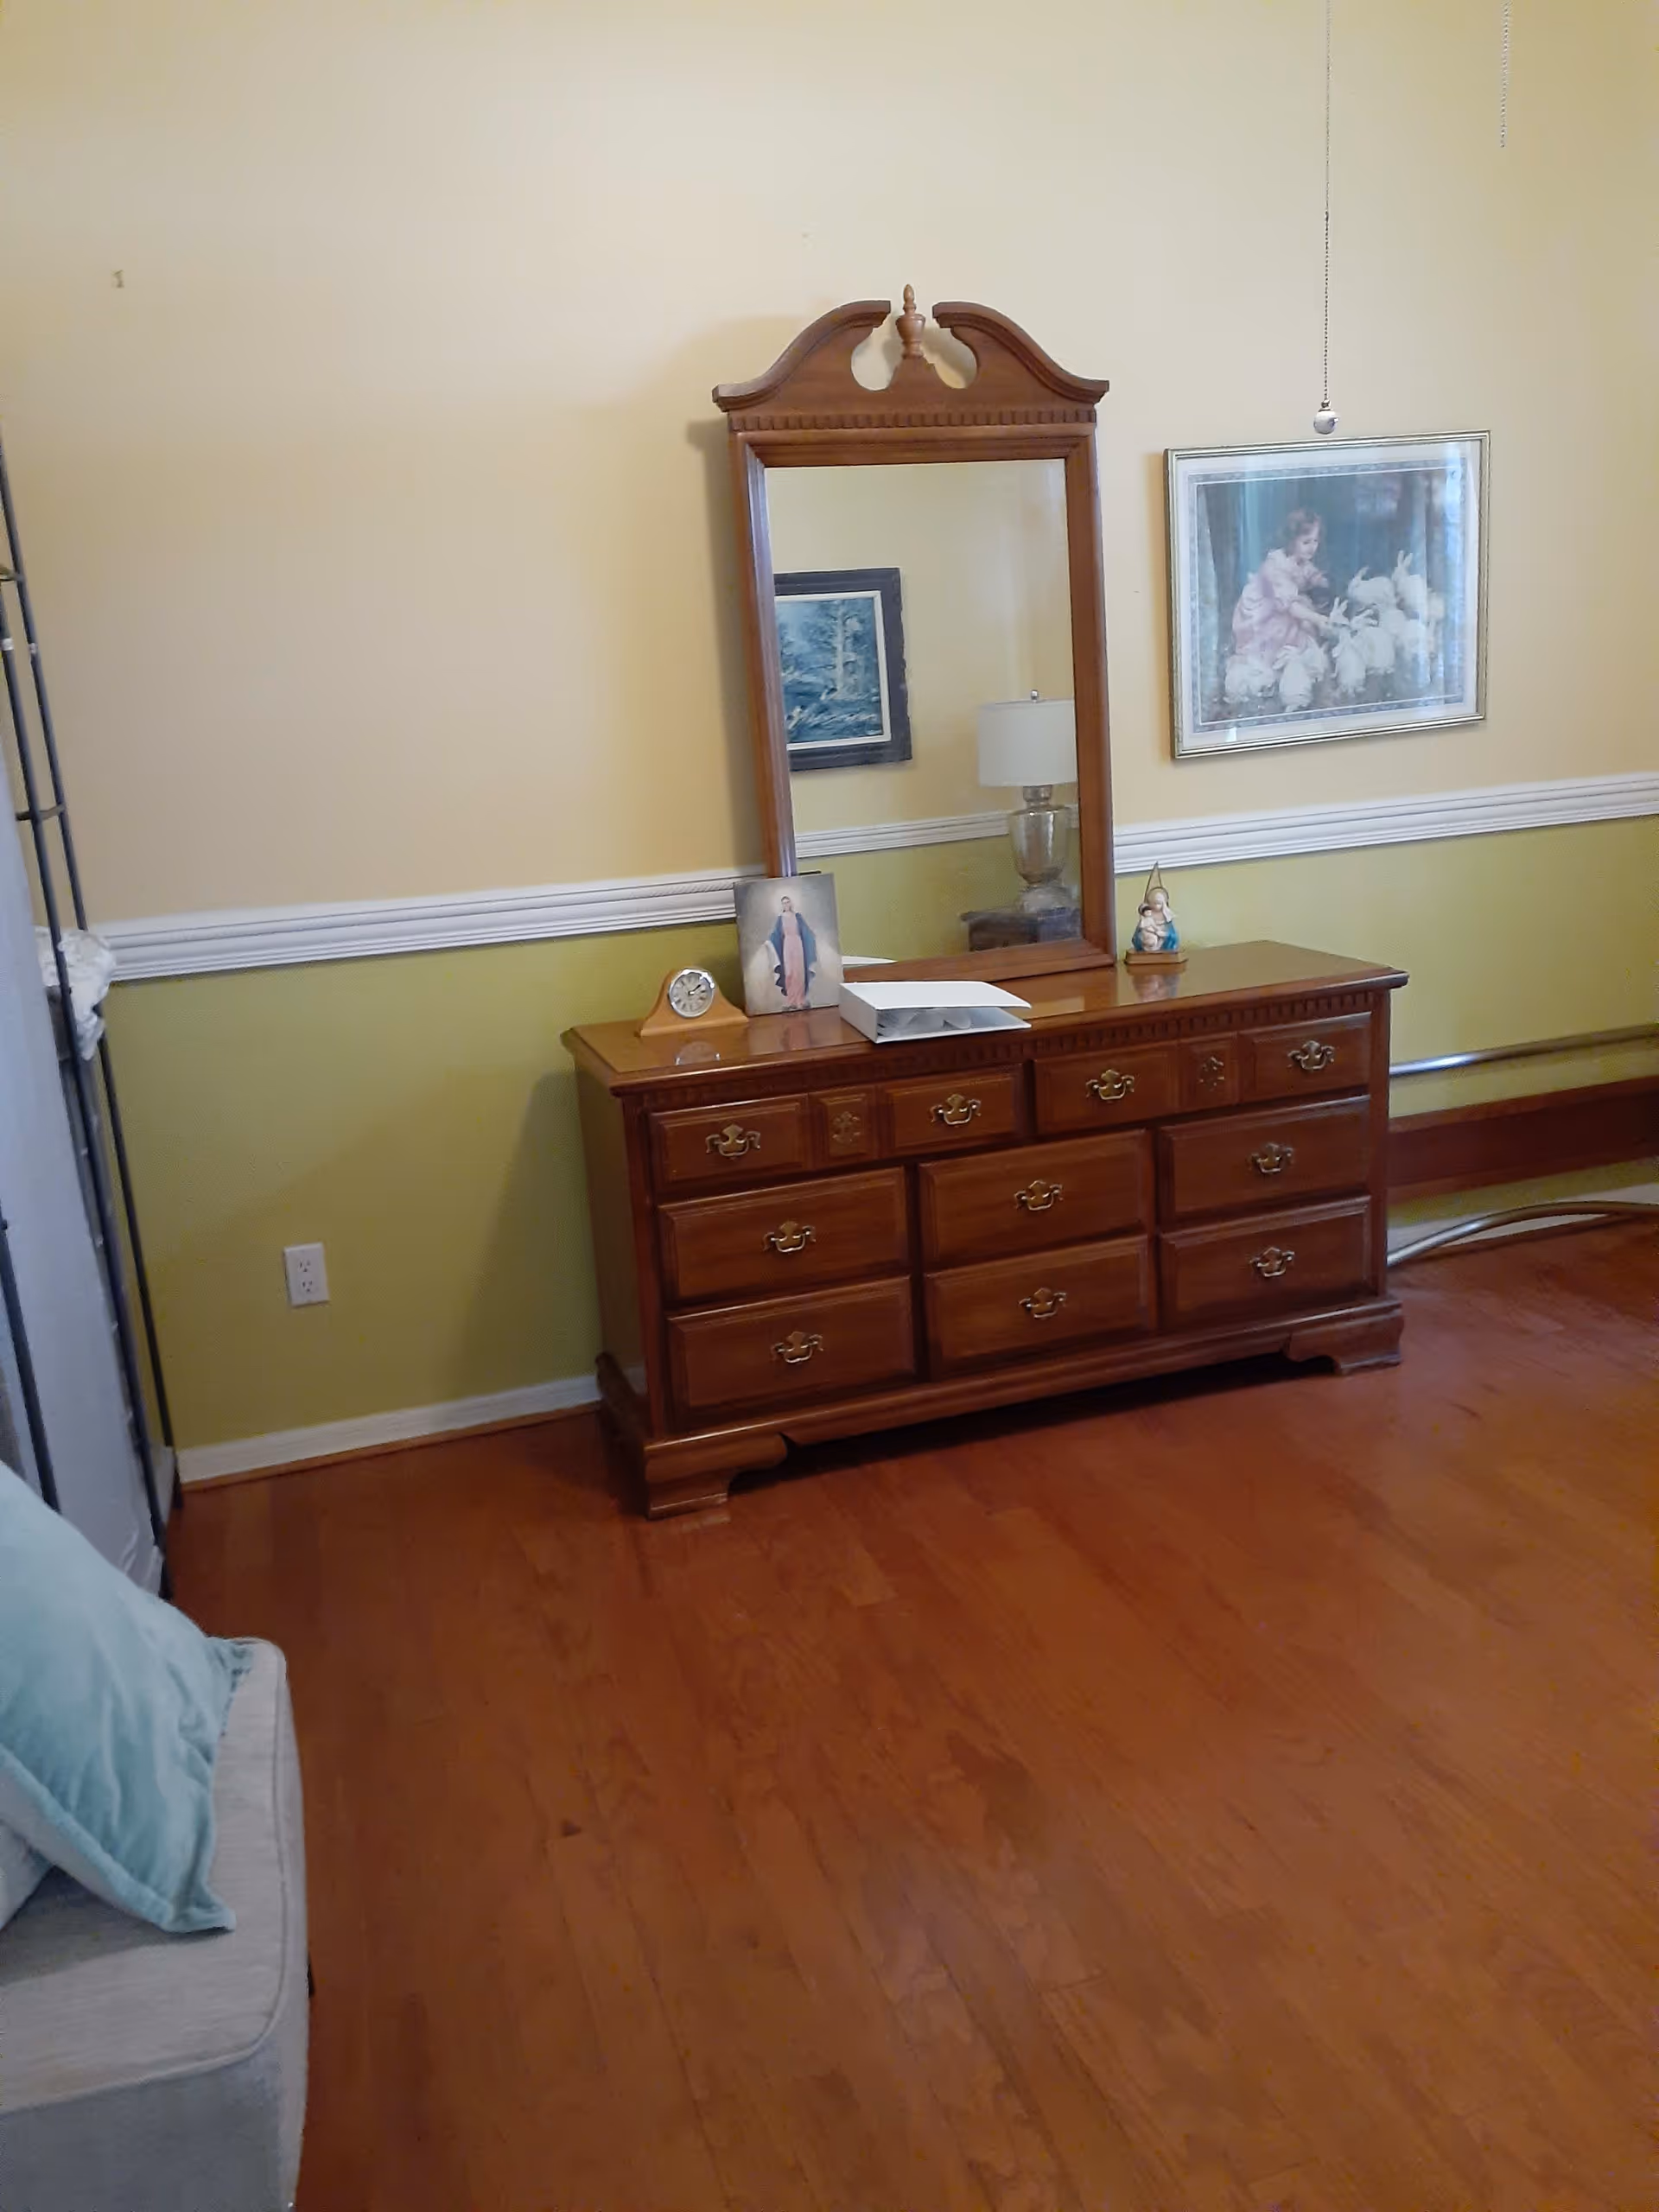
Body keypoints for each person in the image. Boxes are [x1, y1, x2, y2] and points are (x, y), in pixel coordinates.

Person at [1230, 508, 1333, 667]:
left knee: (1305, 618)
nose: (1312, 547)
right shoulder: (1276, 565)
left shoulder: (1301, 560)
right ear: (1291, 541)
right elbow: (1290, 606)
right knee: (1293, 632)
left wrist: (1320, 581)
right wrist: (1317, 619)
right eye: (1306, 542)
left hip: (1284, 604)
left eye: (1315, 541)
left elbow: (1308, 573)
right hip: (1266, 612)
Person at [768, 895, 817, 1010]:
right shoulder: (780, 919)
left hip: (798, 943)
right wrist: (768, 941)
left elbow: (806, 930)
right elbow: (775, 934)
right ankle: (791, 1000)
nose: (786, 905)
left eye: (787, 902)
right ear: (782, 905)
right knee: (789, 972)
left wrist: (814, 936)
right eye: (784, 903)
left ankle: (800, 999)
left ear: (791, 904)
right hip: (787, 944)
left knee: (798, 972)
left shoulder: (797, 917)